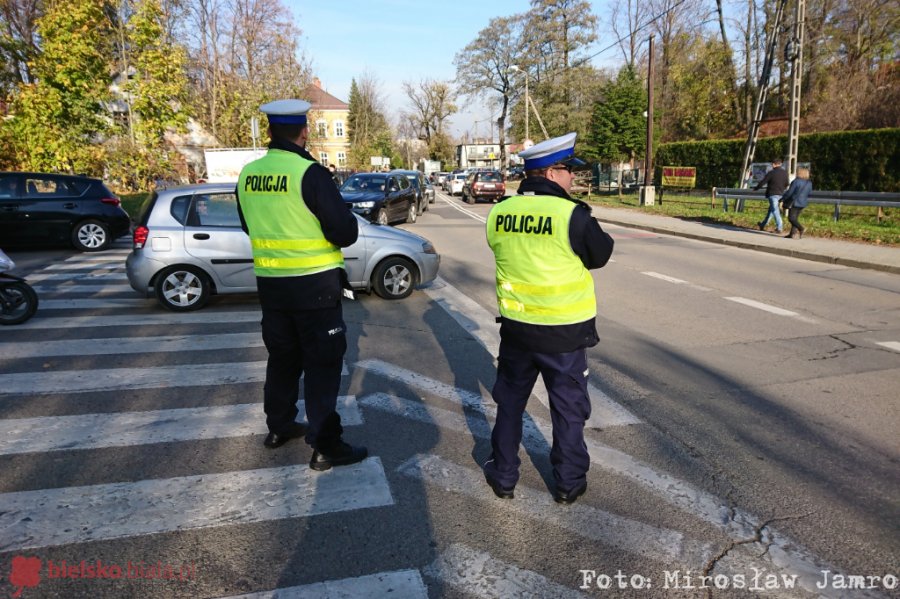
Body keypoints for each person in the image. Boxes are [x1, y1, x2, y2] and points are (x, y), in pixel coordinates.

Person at [483, 132, 615, 505]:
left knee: (510, 404)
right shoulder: (571, 214)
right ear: (553, 172)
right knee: (568, 410)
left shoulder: (499, 212)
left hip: (517, 331)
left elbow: (500, 248)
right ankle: (568, 483)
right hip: (564, 335)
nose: (573, 178)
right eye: (569, 171)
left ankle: (504, 475)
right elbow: (600, 254)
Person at [236, 99, 367, 471]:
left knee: (282, 359)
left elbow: (249, 226)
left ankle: (278, 426)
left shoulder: (249, 175)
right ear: (304, 131)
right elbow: (344, 232)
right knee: (322, 366)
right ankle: (326, 445)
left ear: (271, 131)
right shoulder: (309, 173)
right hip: (315, 289)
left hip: (272, 287)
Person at [754, 158, 789, 233]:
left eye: (772, 164)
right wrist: (782, 189)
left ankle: (779, 227)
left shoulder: (771, 173)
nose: (772, 165)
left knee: (775, 210)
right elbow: (787, 183)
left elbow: (763, 182)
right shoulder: (785, 173)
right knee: (771, 210)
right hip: (781, 194)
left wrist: (756, 188)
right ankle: (763, 224)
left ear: (774, 164)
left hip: (772, 194)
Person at [781, 167, 812, 239]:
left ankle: (801, 228)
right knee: (795, 218)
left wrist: (783, 198)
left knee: (791, 218)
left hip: (795, 202)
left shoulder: (796, 181)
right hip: (803, 203)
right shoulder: (809, 183)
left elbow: (790, 192)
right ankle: (792, 234)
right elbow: (809, 193)